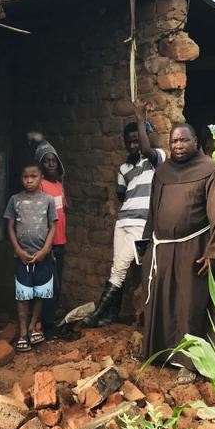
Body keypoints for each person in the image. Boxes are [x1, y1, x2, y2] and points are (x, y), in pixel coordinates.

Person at [141, 123, 215, 385]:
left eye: (184, 140)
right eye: (174, 141)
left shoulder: (211, 170)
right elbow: (153, 211)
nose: (179, 146)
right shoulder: (163, 172)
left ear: (196, 142)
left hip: (195, 249)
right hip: (163, 248)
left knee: (190, 304)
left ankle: (190, 362)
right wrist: (146, 243)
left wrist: (213, 251)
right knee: (162, 300)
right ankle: (162, 351)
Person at [85, 100, 165, 327]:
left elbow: (147, 150)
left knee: (121, 268)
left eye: (137, 140)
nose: (133, 146)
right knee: (117, 266)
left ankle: (97, 316)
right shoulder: (124, 168)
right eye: (129, 142)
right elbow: (121, 195)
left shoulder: (156, 158)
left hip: (142, 224)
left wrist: (140, 118)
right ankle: (111, 314)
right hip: (123, 222)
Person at [3, 162, 58, 352]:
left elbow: (53, 227)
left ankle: (33, 326)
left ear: (41, 178)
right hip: (22, 256)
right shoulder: (15, 200)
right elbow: (10, 227)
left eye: (33, 176)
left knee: (40, 292)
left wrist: (44, 251)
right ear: (21, 178)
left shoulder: (48, 200)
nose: (29, 180)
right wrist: (18, 250)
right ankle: (23, 331)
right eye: (25, 177)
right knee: (23, 294)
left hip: (42, 256)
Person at [37, 141, 67, 333]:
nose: (50, 164)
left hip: (60, 242)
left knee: (58, 284)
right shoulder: (40, 185)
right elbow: (40, 217)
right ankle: (46, 326)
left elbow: (63, 211)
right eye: (46, 160)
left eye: (53, 160)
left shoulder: (59, 186)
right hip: (48, 244)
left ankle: (50, 323)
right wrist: (46, 246)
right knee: (50, 285)